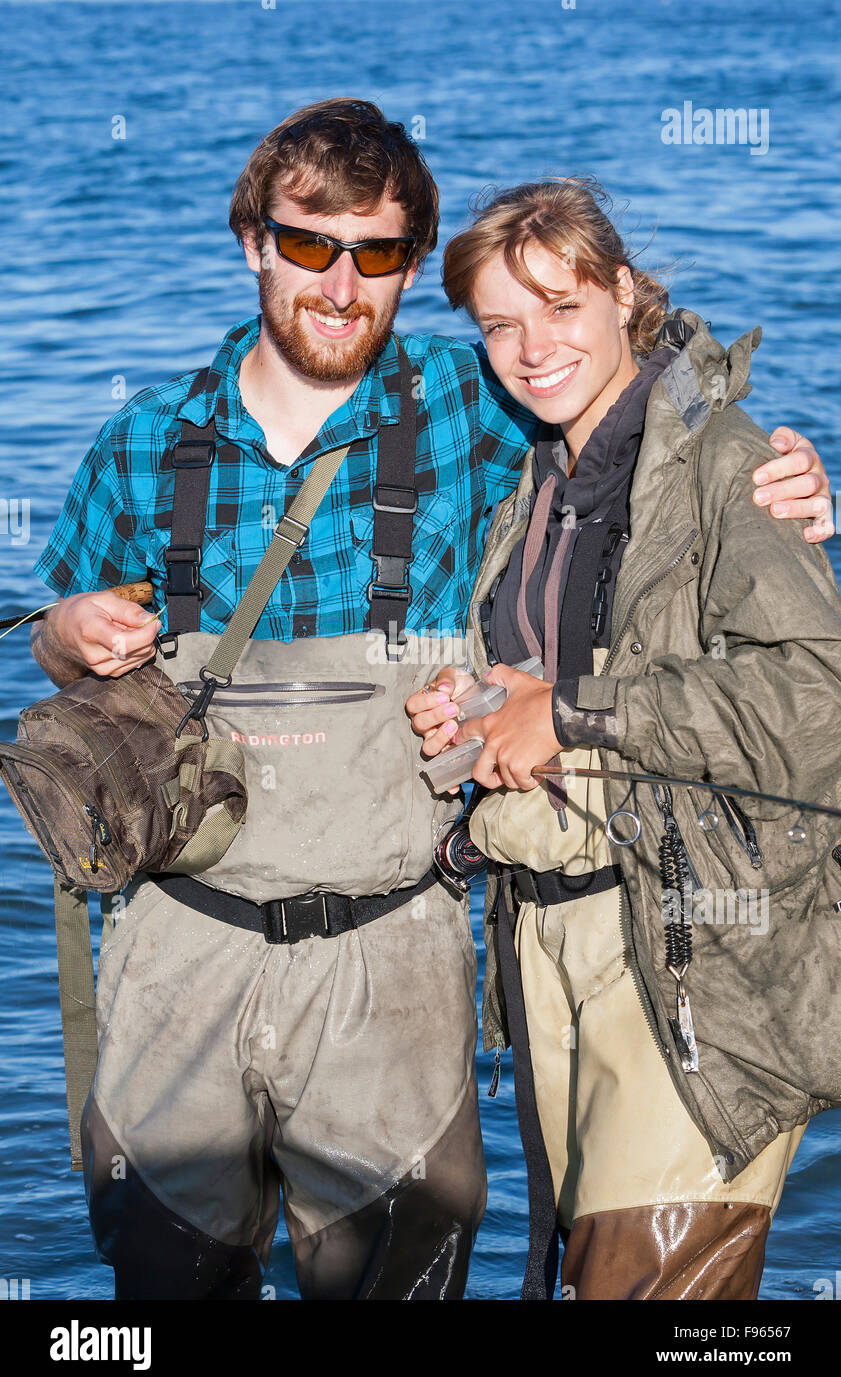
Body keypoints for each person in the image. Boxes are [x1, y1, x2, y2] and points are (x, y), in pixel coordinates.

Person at [28, 102, 828, 1302]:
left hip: (392, 958)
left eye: (380, 253)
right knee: (161, 1288)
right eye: (309, 245)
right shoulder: (142, 443)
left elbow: (634, 410)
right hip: (178, 950)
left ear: (408, 264)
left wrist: (770, 470)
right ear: (253, 239)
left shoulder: (481, 407)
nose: (342, 284)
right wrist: (63, 633)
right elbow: (64, 648)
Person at [407, 176, 841, 1300]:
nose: (529, 346)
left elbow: (815, 700)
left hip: (695, 948)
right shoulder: (535, 477)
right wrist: (483, 704)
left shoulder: (729, 464)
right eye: (500, 322)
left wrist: (566, 711)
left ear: (622, 293)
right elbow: (558, 677)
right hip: (545, 948)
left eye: (559, 306)